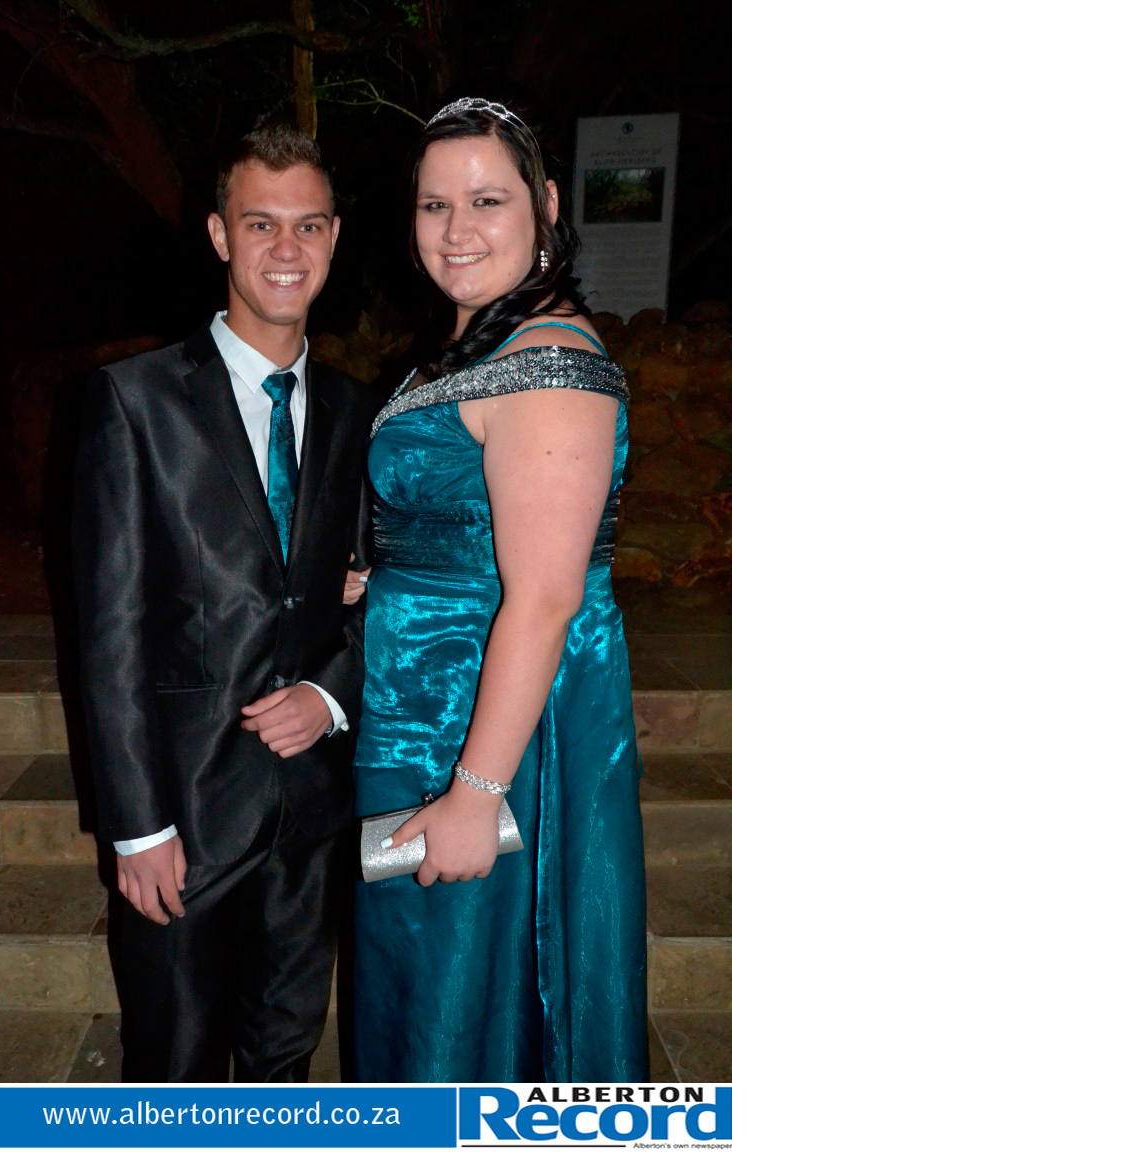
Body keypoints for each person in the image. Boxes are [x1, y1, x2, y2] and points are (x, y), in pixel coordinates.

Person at [46, 121, 376, 1082]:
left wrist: (332, 692)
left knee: (284, 1062)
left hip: (311, 814)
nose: (286, 248)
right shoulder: (133, 403)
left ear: (334, 238)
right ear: (221, 234)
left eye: (308, 225)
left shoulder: (360, 412)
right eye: (261, 223)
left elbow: (389, 585)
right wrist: (137, 825)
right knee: (173, 1069)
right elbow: (106, 633)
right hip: (183, 817)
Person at [351, 97, 649, 1083]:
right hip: (430, 704)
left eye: (486, 201)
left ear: (546, 206)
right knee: (421, 977)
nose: (456, 230)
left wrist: (476, 795)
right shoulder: (483, 345)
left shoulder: (546, 362)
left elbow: (548, 596)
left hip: (490, 730)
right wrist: (387, 571)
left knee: (463, 986)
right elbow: (473, 525)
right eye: (434, 205)